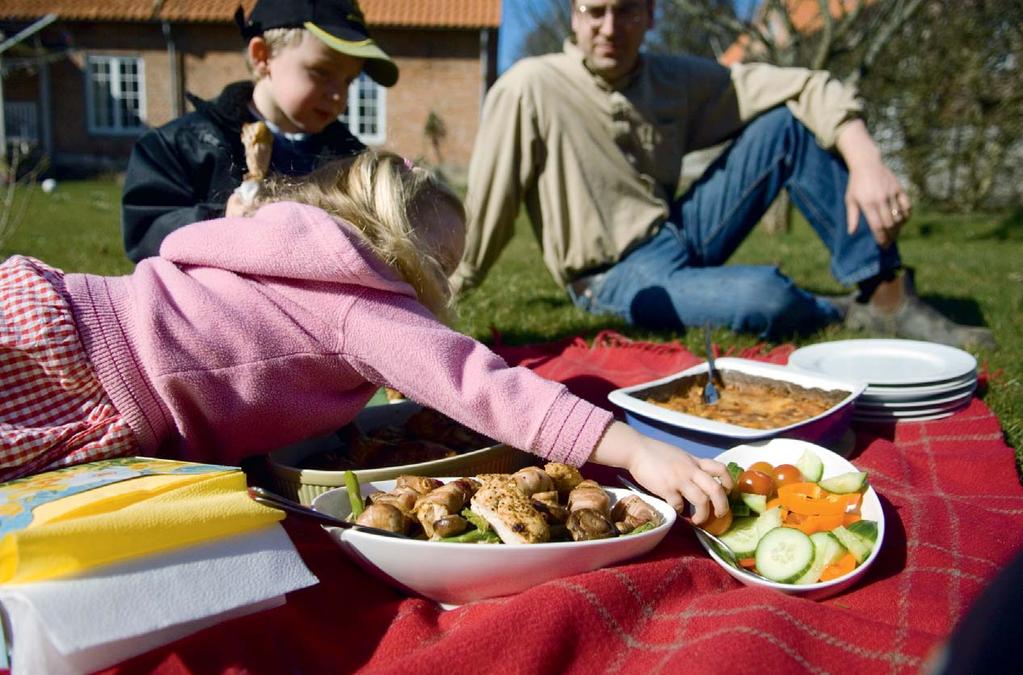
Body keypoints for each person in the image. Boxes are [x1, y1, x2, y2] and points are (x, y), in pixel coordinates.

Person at [0, 151, 733, 524]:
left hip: (55, 311)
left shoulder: (277, 241)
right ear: (399, 252)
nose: (445, 292)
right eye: (440, 270)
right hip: (85, 379)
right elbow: (480, 385)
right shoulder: (359, 306)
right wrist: (635, 447)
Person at [453, 0, 995, 350]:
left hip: (681, 232)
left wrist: (866, 160)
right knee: (762, 296)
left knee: (785, 123)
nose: (610, 28)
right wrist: (447, 292)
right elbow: (488, 207)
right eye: (596, 12)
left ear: (650, 14)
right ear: (574, 15)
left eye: (626, 11)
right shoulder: (530, 87)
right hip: (613, 280)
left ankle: (885, 293)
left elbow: (803, 84)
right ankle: (835, 309)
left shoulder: (675, 80)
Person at [120, 0, 398, 263]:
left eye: (349, 80)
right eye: (322, 72)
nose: (338, 95)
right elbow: (145, 232)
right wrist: (220, 219)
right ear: (262, 56)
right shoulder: (181, 146)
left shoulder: (350, 159)